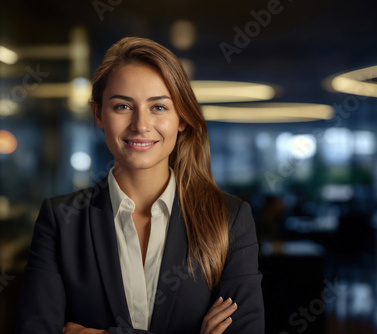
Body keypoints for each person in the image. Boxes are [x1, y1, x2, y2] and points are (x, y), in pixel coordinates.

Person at [15, 37, 264, 334]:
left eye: (158, 107)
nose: (140, 125)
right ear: (98, 115)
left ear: (181, 118)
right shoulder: (61, 219)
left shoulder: (229, 219)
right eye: (122, 106)